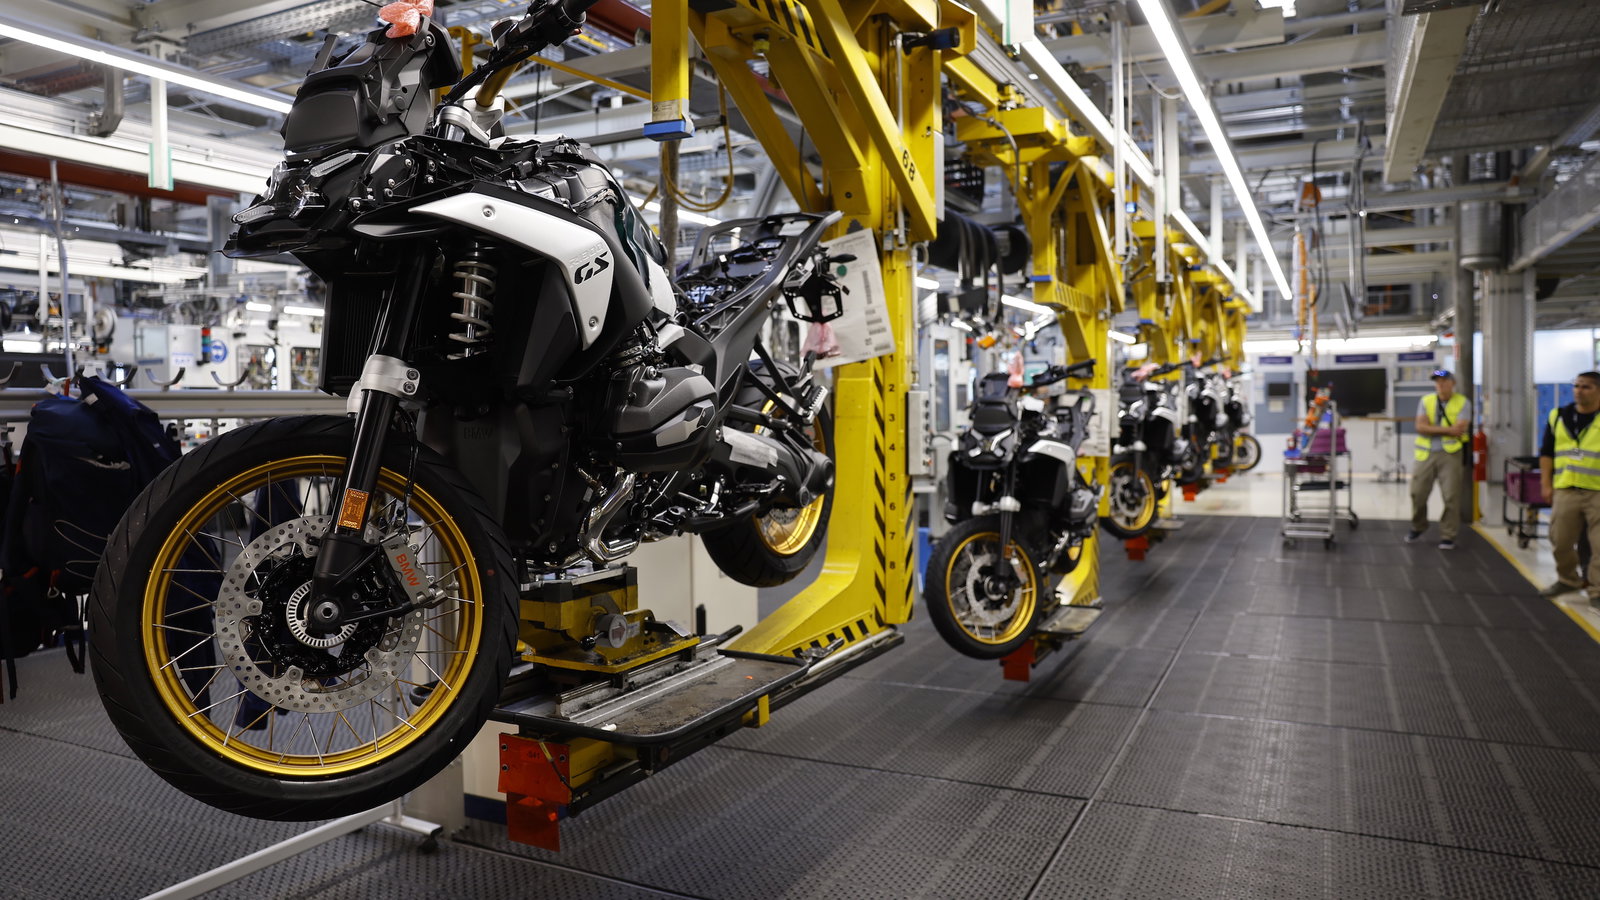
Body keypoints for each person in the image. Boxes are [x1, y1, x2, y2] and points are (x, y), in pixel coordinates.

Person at [1538, 371, 1600, 604]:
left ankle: (1597, 590)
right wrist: (1546, 484)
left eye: (1586, 387)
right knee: (1560, 540)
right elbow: (1546, 453)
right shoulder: (1559, 416)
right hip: (1566, 488)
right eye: (1577, 385)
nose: (1579, 391)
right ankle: (1568, 579)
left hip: (1597, 491)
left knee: (1598, 545)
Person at [1407, 369, 1470, 549]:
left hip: (1450, 454)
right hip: (1425, 454)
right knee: (1417, 493)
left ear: (1453, 383)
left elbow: (1460, 428)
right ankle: (1418, 525)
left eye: (1444, 381)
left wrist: (1431, 428)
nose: (1440, 385)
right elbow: (1420, 427)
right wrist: (1448, 430)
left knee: (1451, 496)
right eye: (1437, 382)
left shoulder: (1463, 403)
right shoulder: (1426, 401)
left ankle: (1448, 534)